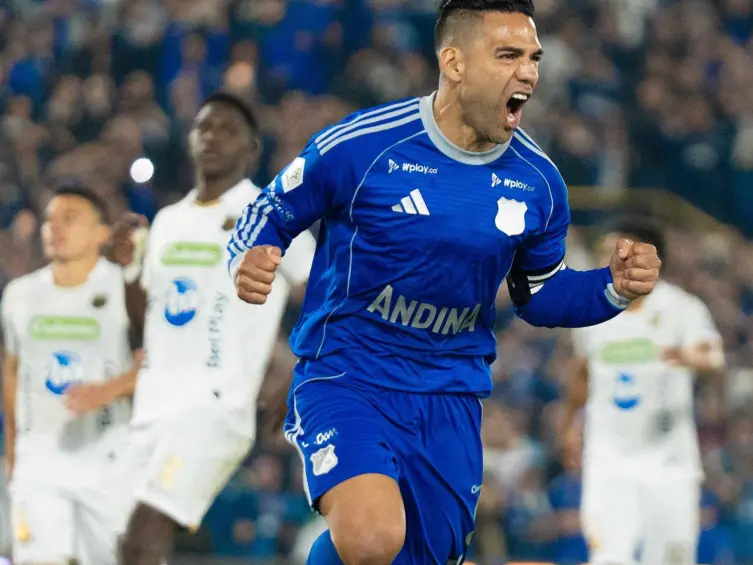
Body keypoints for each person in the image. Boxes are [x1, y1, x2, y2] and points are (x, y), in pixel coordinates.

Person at [227, 0, 663, 563]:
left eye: (533, 57)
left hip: (449, 396)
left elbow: (541, 295)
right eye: (507, 55)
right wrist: (257, 252)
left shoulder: (539, 183)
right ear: (453, 62)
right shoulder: (363, 146)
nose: (527, 72)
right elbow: (272, 209)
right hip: (347, 376)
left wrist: (612, 287)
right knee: (370, 536)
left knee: (416, 555)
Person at [108, 92, 315, 565]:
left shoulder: (270, 213)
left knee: (146, 529)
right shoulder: (166, 221)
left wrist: (300, 368)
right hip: (152, 407)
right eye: (204, 127)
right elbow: (147, 324)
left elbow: (324, 292)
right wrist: (126, 272)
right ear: (189, 140)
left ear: (252, 149)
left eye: (227, 129)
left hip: (216, 405)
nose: (212, 137)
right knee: (119, 545)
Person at [565, 218, 725, 565]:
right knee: (608, 557)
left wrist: (684, 355)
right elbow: (581, 373)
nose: (609, 257)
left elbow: (713, 355)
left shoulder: (682, 308)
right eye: (605, 250)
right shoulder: (591, 309)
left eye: (619, 249)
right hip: (607, 459)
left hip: (669, 462)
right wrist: (570, 429)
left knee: (671, 559)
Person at [1, 184, 137, 565]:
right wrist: (13, 452)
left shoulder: (125, 289)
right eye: (49, 220)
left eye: (70, 219)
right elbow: (11, 374)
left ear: (101, 233)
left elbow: (159, 361)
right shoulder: (19, 294)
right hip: (39, 460)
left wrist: (109, 390)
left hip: (109, 456)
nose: (54, 228)